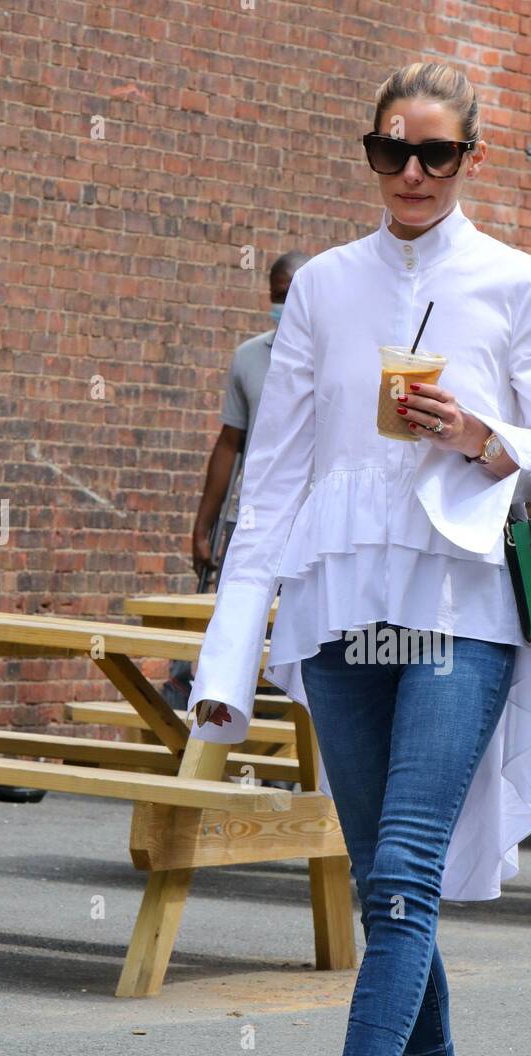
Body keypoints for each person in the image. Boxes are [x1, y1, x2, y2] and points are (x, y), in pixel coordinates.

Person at [188, 60, 531, 1056]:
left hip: (461, 608)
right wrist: (228, 657)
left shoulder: (515, 282)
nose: (410, 174)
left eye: (436, 155)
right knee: (383, 888)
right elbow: (270, 479)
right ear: (368, 156)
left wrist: (479, 433)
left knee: (404, 873)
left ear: (470, 160)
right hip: (337, 608)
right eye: (389, 153)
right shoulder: (319, 285)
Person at [162, 252, 309, 711]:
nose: (284, 306)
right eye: (277, 297)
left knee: (300, 637)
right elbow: (229, 443)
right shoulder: (249, 357)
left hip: (312, 522)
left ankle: (290, 742)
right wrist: (202, 527)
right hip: (255, 517)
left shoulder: (336, 356)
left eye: (293, 296)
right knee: (237, 626)